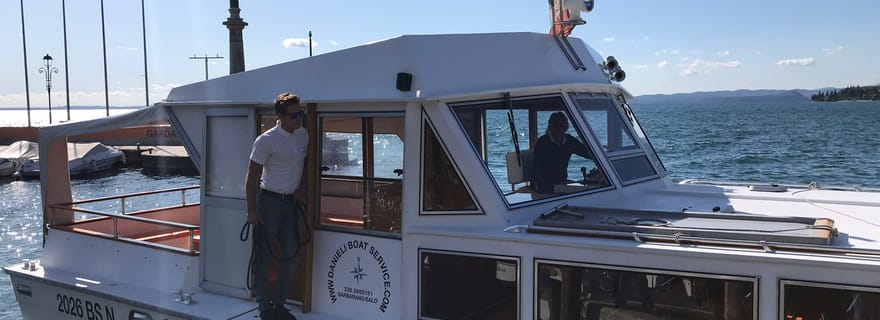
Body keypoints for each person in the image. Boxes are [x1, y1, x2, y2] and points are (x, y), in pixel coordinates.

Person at [245, 92, 308, 320]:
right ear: (280, 116)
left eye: (300, 113)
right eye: (293, 114)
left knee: (292, 256)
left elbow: (303, 166)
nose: (298, 118)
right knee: (263, 257)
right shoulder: (266, 140)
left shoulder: (303, 135)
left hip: (291, 205)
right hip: (268, 203)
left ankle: (279, 304)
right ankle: (264, 307)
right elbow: (252, 177)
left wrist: (301, 189)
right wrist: (252, 210)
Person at [531, 111, 593, 194]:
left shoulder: (569, 141)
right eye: (556, 125)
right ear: (550, 126)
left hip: (562, 183)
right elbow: (539, 170)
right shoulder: (542, 142)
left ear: (566, 127)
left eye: (562, 126)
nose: (559, 129)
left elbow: (587, 152)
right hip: (544, 186)